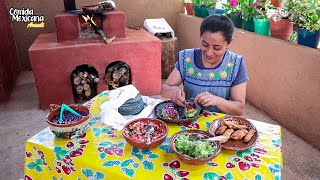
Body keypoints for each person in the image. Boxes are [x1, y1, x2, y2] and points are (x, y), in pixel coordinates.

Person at [161, 15, 249, 116]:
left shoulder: (235, 64)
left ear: (229, 43)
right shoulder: (187, 58)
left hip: (216, 126)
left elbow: (239, 109)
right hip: (188, 121)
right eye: (205, 45)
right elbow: (164, 89)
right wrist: (174, 91)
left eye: (216, 48)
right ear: (200, 38)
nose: (209, 53)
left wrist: (218, 101)